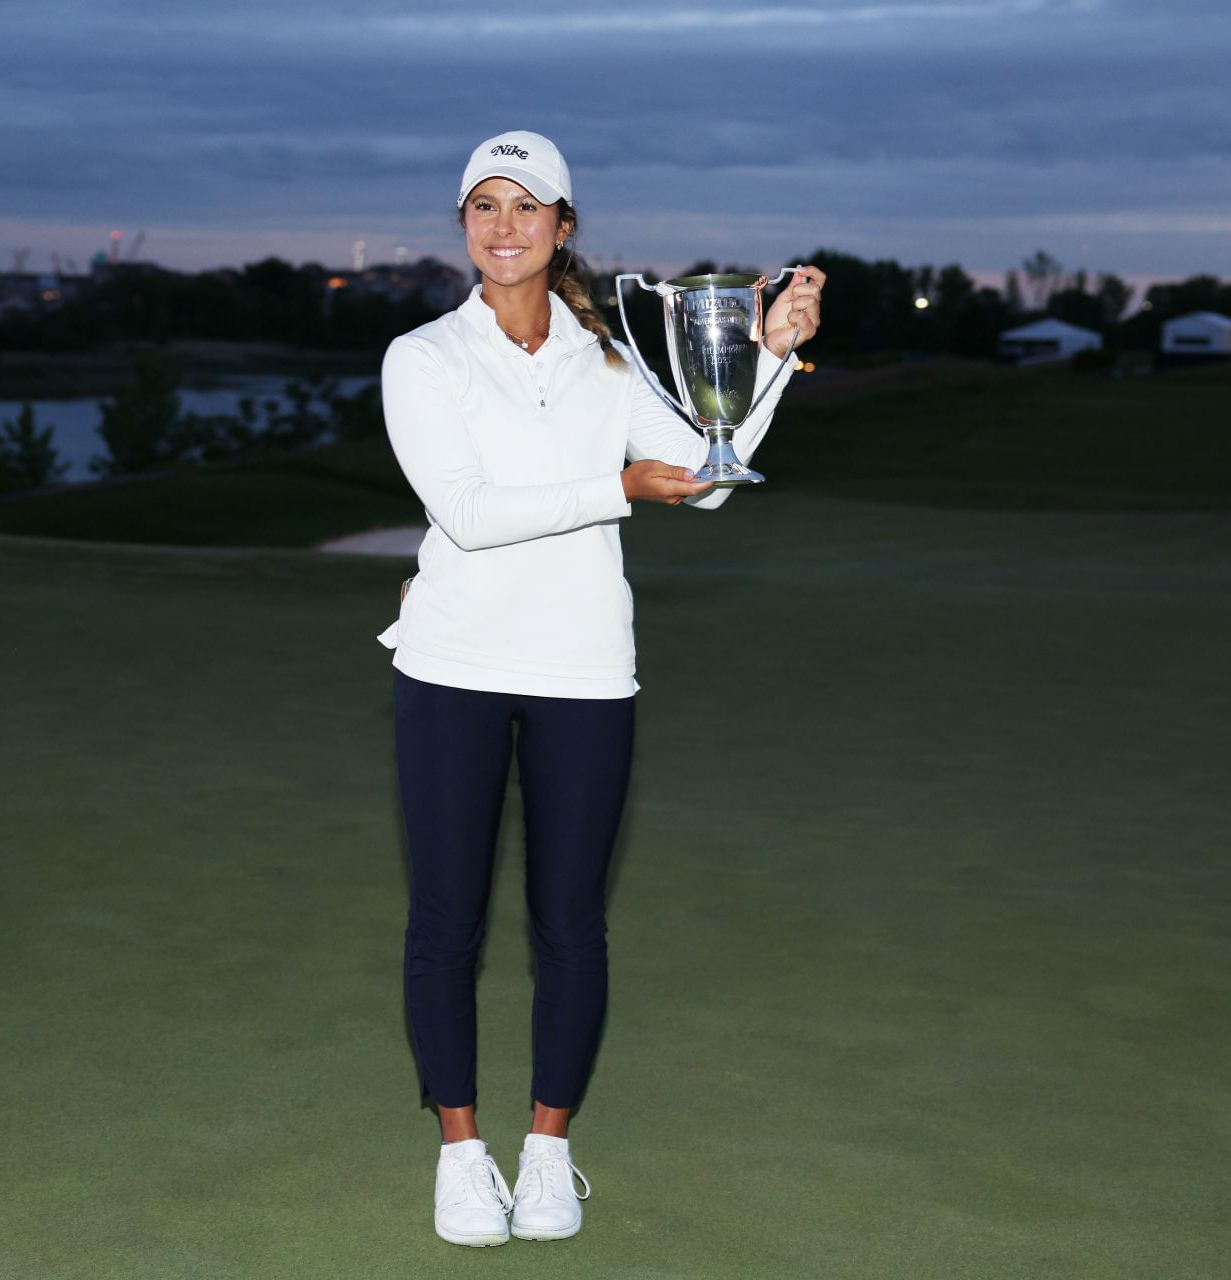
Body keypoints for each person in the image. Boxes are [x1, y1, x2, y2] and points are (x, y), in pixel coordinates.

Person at [377, 129, 824, 1247]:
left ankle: (546, 1150)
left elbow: (708, 485)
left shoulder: (611, 360)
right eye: (482, 205)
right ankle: (461, 1153)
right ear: (464, 227)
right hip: (454, 664)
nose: (504, 225)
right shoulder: (423, 356)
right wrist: (616, 484)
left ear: (564, 226)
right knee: (446, 921)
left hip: (584, 669)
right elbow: (470, 514)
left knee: (571, 921)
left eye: (526, 206)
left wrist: (764, 358)